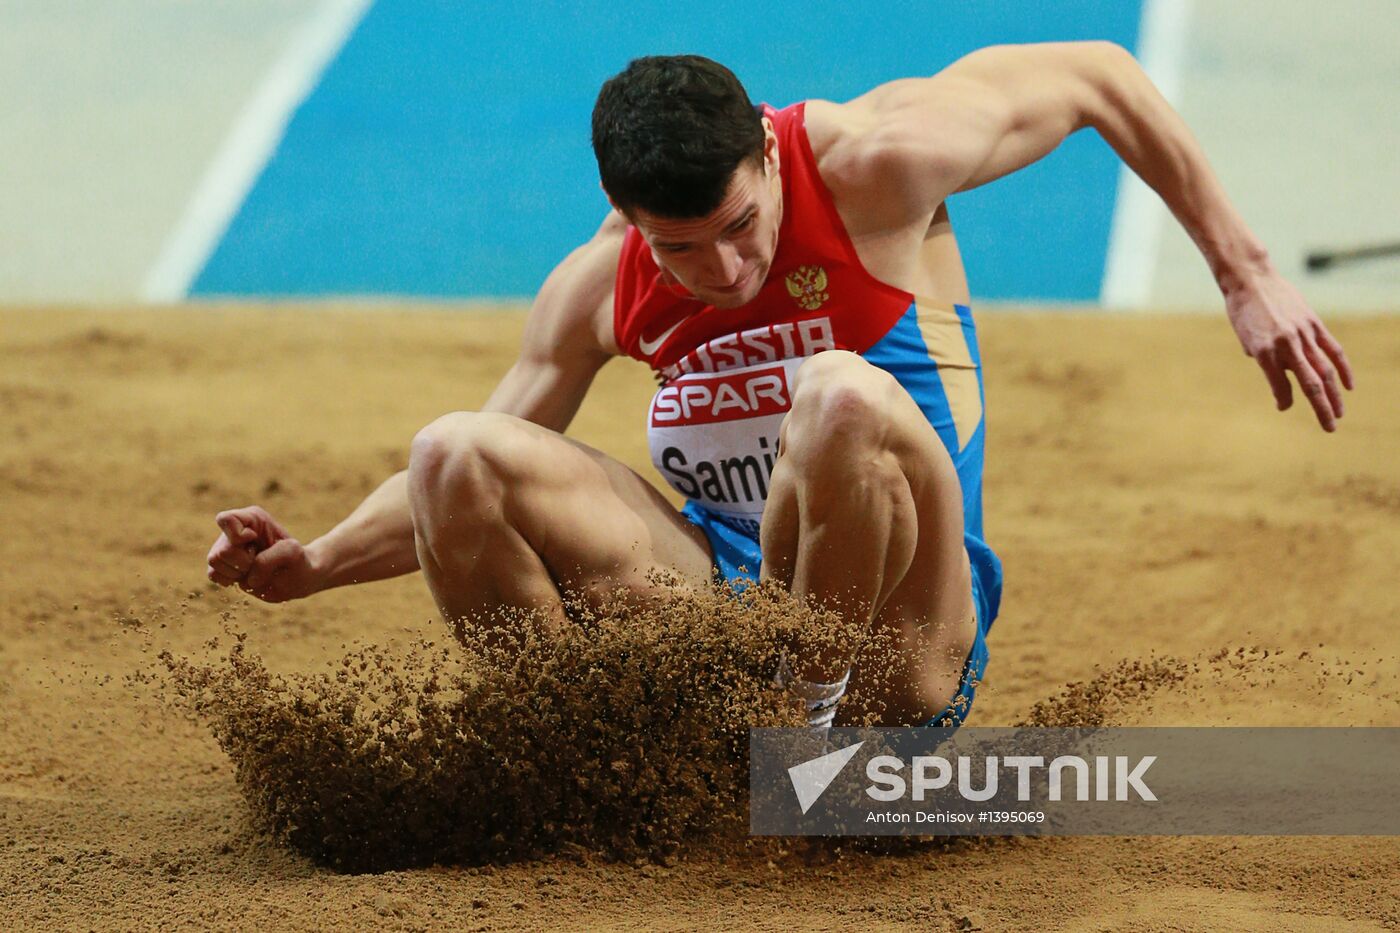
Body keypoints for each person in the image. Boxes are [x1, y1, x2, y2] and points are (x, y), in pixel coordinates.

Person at [206, 45, 1353, 729]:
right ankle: (569, 756)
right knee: (452, 451)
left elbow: (1099, 76)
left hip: (905, 635)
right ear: (627, 215)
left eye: (741, 229)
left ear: (765, 154)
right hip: (720, 613)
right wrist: (309, 565)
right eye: (678, 249)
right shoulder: (602, 286)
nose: (723, 271)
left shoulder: (874, 165)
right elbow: (455, 489)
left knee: (839, 396)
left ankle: (809, 761)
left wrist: (1245, 275)